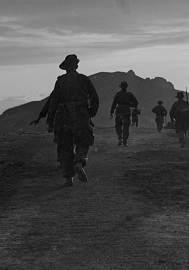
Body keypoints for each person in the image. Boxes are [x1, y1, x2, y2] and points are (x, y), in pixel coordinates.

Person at [47, 54, 99, 187]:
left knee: (65, 146)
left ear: (65, 68)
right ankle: (79, 163)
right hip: (81, 115)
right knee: (83, 141)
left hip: (63, 117)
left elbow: (53, 102)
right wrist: (89, 114)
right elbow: (94, 98)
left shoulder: (60, 82)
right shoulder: (84, 79)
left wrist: (50, 121)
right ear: (76, 66)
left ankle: (69, 178)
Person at [29, 85, 63, 169]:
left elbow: (49, 105)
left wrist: (42, 118)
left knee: (60, 141)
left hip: (59, 120)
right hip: (69, 120)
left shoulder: (57, 91)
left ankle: (60, 161)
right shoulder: (73, 90)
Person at [110, 81, 139, 146]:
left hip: (119, 110)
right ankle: (125, 141)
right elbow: (136, 102)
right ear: (126, 86)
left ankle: (120, 138)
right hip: (126, 111)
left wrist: (112, 111)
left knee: (118, 125)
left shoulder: (118, 94)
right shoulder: (129, 94)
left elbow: (114, 104)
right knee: (126, 125)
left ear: (121, 86)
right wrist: (130, 105)